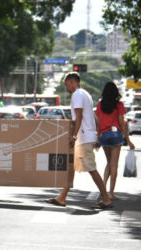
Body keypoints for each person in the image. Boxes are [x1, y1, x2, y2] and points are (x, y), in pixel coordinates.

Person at [45, 72, 112, 209]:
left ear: (71, 82)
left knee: (91, 169)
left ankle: (106, 199)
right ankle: (62, 197)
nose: (67, 88)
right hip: (86, 136)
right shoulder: (85, 94)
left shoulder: (77, 95)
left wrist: (74, 136)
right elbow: (91, 117)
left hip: (84, 137)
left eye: (66, 85)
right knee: (71, 168)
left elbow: (79, 116)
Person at [95, 82, 135, 200]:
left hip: (103, 135)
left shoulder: (100, 105)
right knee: (114, 165)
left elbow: (98, 123)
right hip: (115, 135)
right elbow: (122, 123)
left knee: (108, 163)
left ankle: (103, 191)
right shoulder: (119, 105)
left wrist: (98, 139)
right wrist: (129, 140)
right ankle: (111, 193)